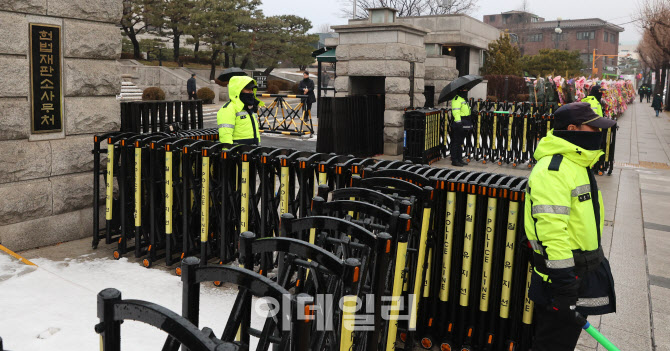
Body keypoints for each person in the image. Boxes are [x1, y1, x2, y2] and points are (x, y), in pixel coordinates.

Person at [525, 102, 617, 351]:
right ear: (572, 128)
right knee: (552, 344)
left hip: (579, 272)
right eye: (593, 128)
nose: (599, 134)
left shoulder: (577, 164)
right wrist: (565, 286)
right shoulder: (553, 170)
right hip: (563, 279)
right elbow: (552, 233)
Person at [217, 76, 265, 148]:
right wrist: (228, 153)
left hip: (253, 150)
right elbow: (225, 135)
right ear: (238, 90)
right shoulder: (228, 109)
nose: (251, 92)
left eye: (252, 89)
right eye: (247, 89)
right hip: (238, 152)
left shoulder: (249, 107)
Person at [450, 88, 470, 167]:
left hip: (465, 122)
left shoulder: (463, 99)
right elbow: (456, 112)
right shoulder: (456, 99)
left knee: (460, 142)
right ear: (460, 90)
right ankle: (454, 160)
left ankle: (459, 158)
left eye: (466, 90)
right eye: (464, 90)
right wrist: (459, 123)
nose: (466, 91)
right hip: (459, 123)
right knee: (456, 142)